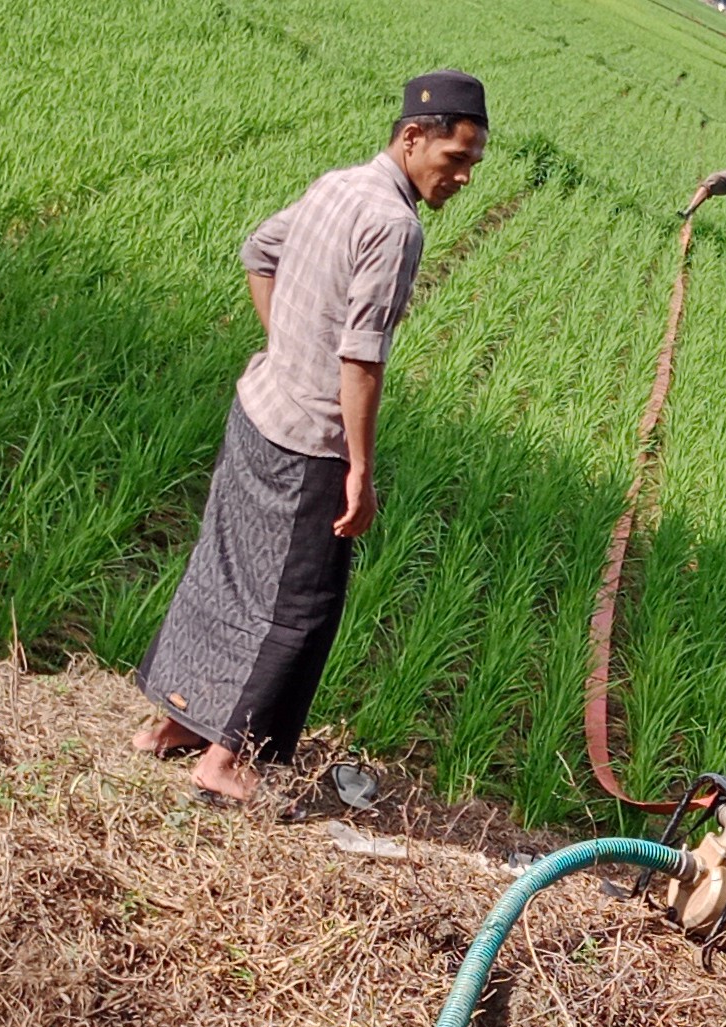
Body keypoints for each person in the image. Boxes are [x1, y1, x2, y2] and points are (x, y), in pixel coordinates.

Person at [133, 72, 490, 803]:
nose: (460, 178)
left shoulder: (338, 185)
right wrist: (360, 466)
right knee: (300, 605)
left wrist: (286, 345)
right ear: (412, 137)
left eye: (471, 166)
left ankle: (175, 724)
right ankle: (224, 761)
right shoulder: (395, 226)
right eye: (454, 158)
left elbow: (258, 250)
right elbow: (361, 359)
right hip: (308, 443)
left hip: (258, 406)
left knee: (227, 569)